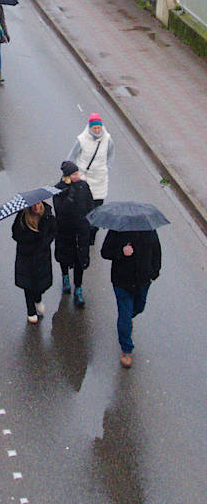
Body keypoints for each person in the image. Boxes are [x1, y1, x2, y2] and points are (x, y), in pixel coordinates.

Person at [101, 227, 161, 369]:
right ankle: (126, 350)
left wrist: (154, 273)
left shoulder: (150, 231)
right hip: (122, 282)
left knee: (140, 307)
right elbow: (105, 252)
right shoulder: (117, 231)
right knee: (124, 316)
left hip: (143, 281)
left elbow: (157, 252)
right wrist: (121, 252)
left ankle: (129, 318)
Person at [53, 160, 94, 307]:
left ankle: (78, 289)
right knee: (65, 257)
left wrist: (90, 223)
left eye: (78, 173)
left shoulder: (83, 186)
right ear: (67, 176)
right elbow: (59, 210)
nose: (78, 176)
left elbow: (90, 204)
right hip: (65, 231)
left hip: (81, 230)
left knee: (79, 260)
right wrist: (69, 198)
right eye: (75, 174)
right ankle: (65, 278)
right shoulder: (58, 190)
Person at [68, 113, 113, 243]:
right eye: (95, 128)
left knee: (97, 209)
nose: (97, 130)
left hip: (100, 181)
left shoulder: (108, 140)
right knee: (84, 208)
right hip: (84, 179)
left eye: (99, 128)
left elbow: (110, 156)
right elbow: (72, 156)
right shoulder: (81, 140)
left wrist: (105, 169)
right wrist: (74, 173)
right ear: (90, 128)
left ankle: (92, 233)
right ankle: (83, 231)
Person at [12, 201, 56, 324]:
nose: (36, 207)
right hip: (26, 256)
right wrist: (31, 239)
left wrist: (44, 241)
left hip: (42, 257)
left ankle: (38, 298)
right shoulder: (22, 218)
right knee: (28, 285)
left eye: (38, 204)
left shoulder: (48, 216)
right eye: (33, 205)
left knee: (40, 285)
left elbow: (53, 231)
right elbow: (16, 234)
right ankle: (31, 311)